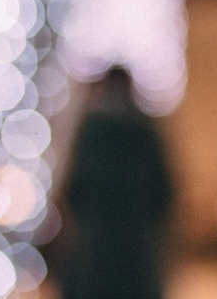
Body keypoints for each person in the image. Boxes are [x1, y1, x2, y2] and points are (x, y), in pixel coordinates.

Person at [49, 66, 174, 299]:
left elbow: (74, 188)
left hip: (97, 243)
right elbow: (163, 190)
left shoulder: (92, 131)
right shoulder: (143, 131)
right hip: (132, 243)